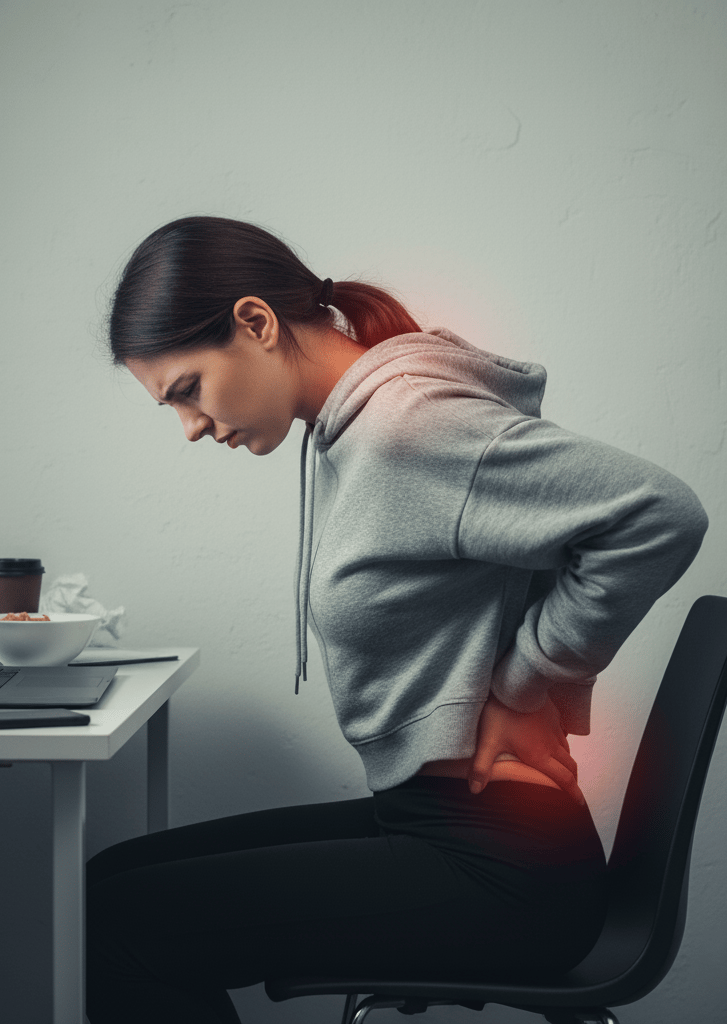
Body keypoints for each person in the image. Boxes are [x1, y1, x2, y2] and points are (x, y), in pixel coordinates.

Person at [86, 215, 709, 1024]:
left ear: (255, 323)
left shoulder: (406, 425)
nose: (191, 427)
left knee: (120, 925)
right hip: (438, 828)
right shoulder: (352, 430)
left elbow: (661, 515)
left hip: (501, 870)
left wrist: (528, 681)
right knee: (101, 886)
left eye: (187, 389)